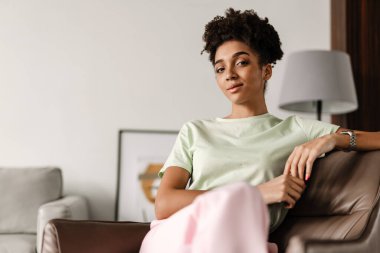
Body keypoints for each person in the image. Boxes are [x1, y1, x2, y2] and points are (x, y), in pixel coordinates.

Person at [139, 8, 380, 253]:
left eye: (241, 62)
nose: (230, 75)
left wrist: (332, 139)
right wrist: (256, 194)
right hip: (180, 234)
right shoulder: (195, 131)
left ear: (266, 70)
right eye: (220, 68)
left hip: (240, 239)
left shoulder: (295, 129)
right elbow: (165, 203)